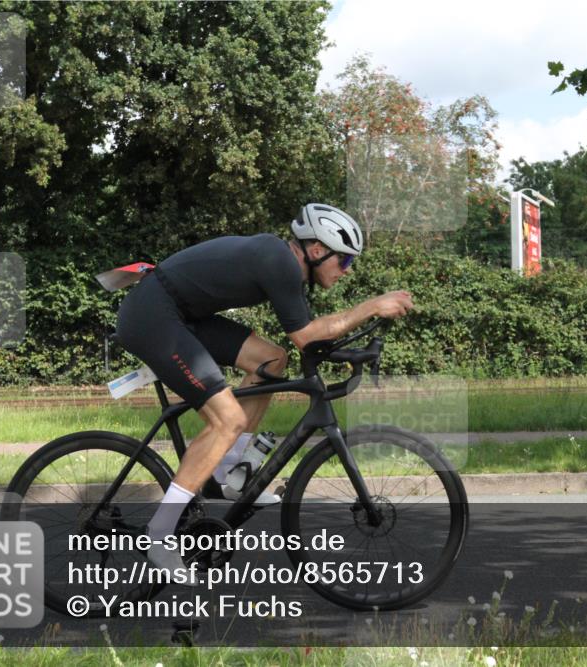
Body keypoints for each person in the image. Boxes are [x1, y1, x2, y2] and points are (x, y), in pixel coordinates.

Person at [115, 203, 414, 581]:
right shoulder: (281, 262)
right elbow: (307, 336)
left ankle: (230, 475)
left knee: (272, 360)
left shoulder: (283, 263)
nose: (347, 270)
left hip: (181, 313)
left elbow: (308, 339)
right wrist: (371, 307)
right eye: (345, 260)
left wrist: (350, 349)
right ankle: (160, 534)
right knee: (229, 419)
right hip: (153, 315)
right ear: (317, 250)